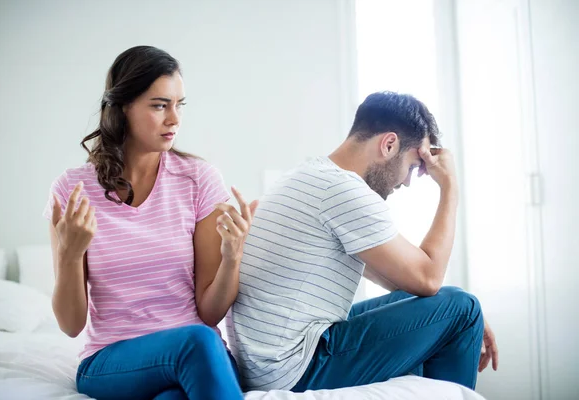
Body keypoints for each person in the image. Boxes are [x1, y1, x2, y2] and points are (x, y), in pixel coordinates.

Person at [227, 91, 498, 392]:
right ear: (389, 144)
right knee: (464, 308)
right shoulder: (343, 190)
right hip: (293, 368)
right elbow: (428, 278)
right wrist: (450, 189)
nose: (406, 182)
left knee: (443, 303)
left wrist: (450, 314)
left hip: (266, 363)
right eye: (411, 166)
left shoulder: (309, 175)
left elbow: (405, 283)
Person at [43, 45, 257, 400]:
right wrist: (69, 255)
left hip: (197, 353)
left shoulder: (199, 180)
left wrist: (232, 257)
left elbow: (209, 312)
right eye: (160, 105)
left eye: (179, 105)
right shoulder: (72, 191)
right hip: (112, 362)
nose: (175, 119)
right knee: (198, 343)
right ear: (123, 107)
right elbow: (70, 325)